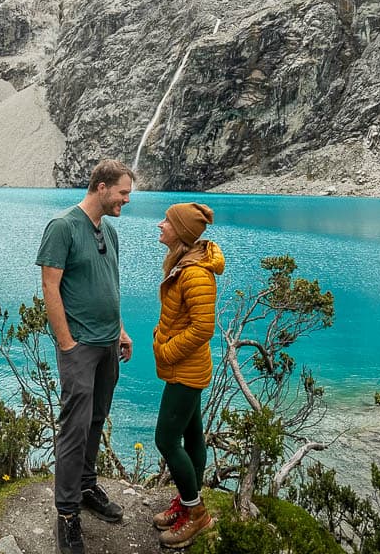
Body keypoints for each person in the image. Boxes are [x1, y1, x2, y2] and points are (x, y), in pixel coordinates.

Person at [36, 159, 135, 554]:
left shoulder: (109, 231)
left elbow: (109, 285)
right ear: (101, 187)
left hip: (109, 343)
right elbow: (50, 286)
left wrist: (121, 330)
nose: (126, 200)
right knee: (74, 428)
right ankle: (66, 513)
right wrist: (66, 344)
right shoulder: (62, 227)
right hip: (80, 348)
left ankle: (87, 484)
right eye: (123, 193)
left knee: (96, 418)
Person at [151, 202, 222, 548]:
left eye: (167, 221)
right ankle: (187, 500)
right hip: (189, 368)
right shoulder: (186, 264)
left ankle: (197, 516)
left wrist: (165, 350)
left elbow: (203, 328)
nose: (160, 225)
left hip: (185, 370)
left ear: (181, 231)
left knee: (166, 439)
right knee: (193, 434)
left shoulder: (194, 273)